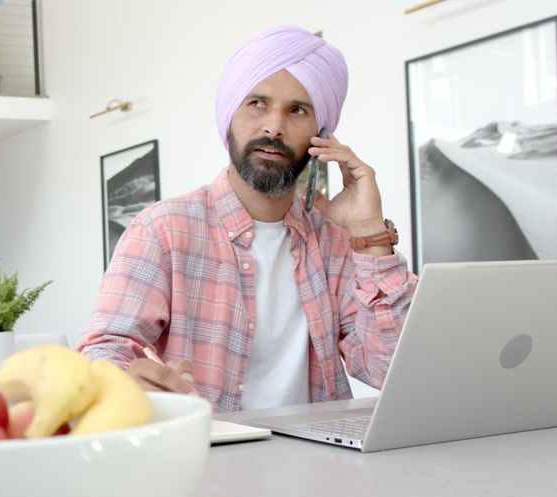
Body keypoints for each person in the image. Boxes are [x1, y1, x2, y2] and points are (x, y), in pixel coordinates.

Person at [76, 26, 419, 412]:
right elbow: (104, 349)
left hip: (322, 464)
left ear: (321, 134)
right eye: (258, 103)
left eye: (297, 110)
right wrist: (121, 380)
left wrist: (370, 234)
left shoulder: (338, 241)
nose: (274, 126)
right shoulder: (163, 229)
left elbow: (389, 370)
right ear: (230, 117)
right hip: (209, 462)